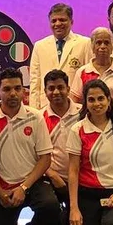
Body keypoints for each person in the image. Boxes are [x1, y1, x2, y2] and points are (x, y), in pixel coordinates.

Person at [0, 68, 59, 225]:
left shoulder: (35, 116)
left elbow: (45, 158)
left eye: (17, 88)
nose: (13, 93)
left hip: (31, 183)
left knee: (50, 206)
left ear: (24, 91)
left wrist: (23, 187)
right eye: (7, 89)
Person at [66, 79, 113, 225]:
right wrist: (74, 208)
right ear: (85, 103)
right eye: (91, 100)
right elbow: (73, 170)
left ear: (109, 100)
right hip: (87, 194)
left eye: (101, 98)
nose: (97, 103)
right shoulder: (77, 130)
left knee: (112, 223)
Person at [29, 3, 92, 108]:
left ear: (71, 22)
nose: (57, 24)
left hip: (75, 106)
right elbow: (35, 81)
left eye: (62, 20)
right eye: (54, 21)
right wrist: (34, 110)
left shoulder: (85, 43)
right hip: (45, 106)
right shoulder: (39, 46)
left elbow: (89, 78)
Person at [40, 69, 82, 214]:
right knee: (49, 207)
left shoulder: (83, 113)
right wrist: (52, 175)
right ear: (45, 91)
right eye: (51, 88)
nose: (56, 92)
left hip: (82, 178)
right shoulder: (39, 118)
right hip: (52, 179)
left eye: (60, 87)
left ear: (68, 89)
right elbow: (34, 155)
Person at [70, 28, 113, 114]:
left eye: (106, 43)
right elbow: (75, 103)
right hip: (90, 120)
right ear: (92, 47)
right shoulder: (82, 72)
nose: (102, 46)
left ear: (112, 47)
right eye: (98, 43)